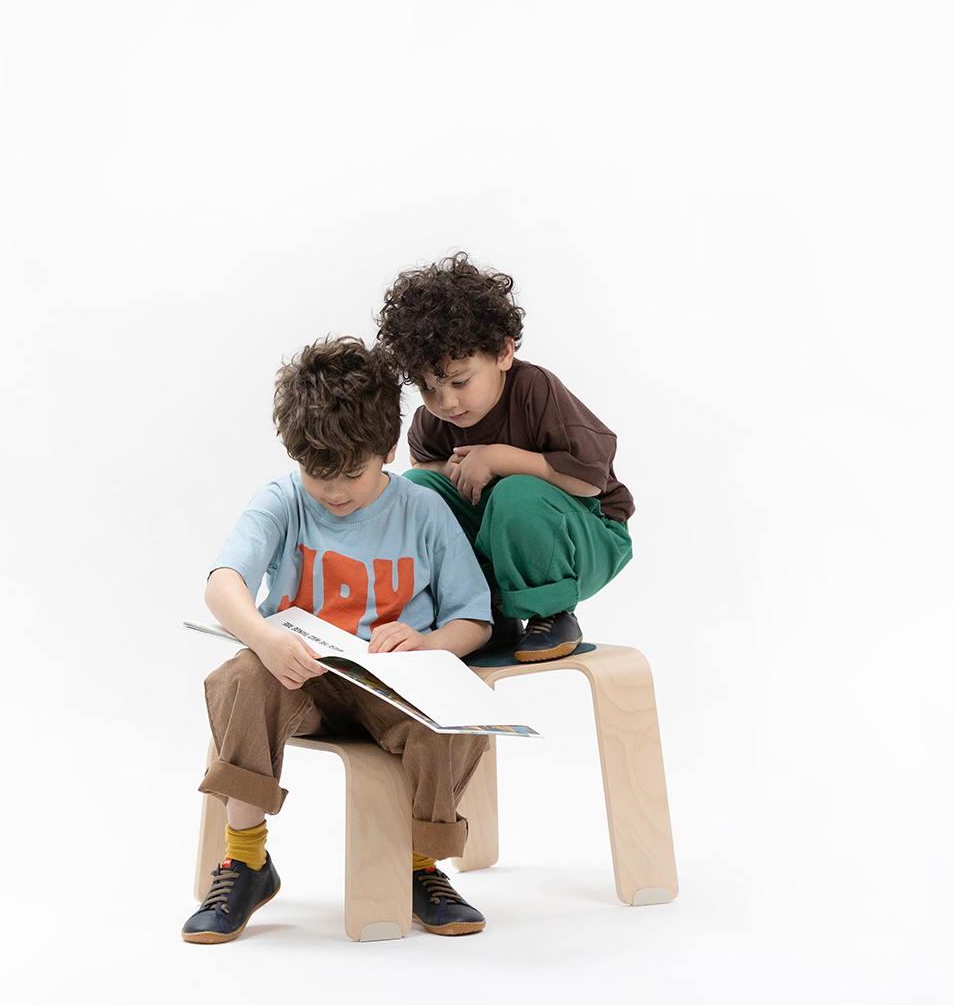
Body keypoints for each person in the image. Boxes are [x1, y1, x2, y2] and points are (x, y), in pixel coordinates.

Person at [184, 336, 494, 944]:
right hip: (301, 682)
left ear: (389, 450)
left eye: (353, 473)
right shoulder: (283, 501)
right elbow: (222, 584)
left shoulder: (424, 512)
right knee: (241, 676)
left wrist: (429, 642)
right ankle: (245, 861)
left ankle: (420, 866)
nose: (334, 491)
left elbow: (474, 621)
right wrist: (266, 640)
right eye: (318, 473)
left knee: (455, 707)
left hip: (392, 688)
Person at [374, 252, 634, 663]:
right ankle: (485, 611)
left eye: (460, 381)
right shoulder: (435, 417)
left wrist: (496, 458)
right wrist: (451, 468)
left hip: (586, 534)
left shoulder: (535, 390)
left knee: (515, 494)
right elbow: (422, 466)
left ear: (503, 353)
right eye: (428, 388)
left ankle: (551, 613)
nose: (446, 401)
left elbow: (588, 481)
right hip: (504, 535)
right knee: (417, 488)